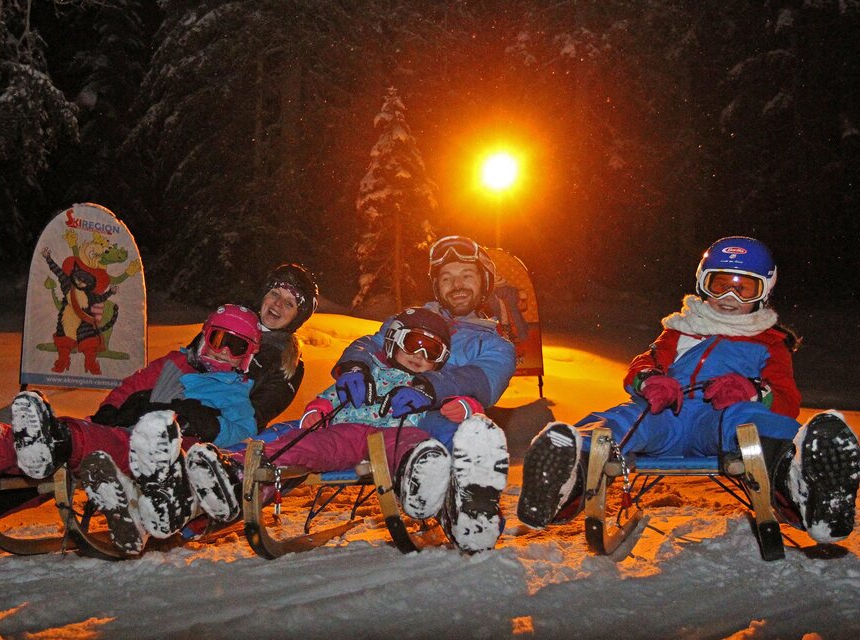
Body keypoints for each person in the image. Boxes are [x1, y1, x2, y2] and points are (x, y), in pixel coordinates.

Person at [0, 264, 320, 552]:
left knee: (68, 444)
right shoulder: (199, 348)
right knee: (51, 448)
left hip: (189, 441)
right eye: (275, 292)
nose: (278, 304)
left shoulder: (282, 363)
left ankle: (128, 495)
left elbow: (250, 419)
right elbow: (146, 379)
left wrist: (201, 419)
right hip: (143, 423)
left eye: (290, 301)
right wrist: (118, 408)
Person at [516, 236, 860, 545]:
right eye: (720, 284)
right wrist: (652, 381)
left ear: (764, 292)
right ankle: (568, 471)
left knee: (749, 420)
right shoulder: (679, 330)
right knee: (630, 415)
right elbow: (641, 366)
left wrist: (752, 391)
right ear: (702, 284)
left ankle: (801, 487)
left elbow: (787, 400)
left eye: (743, 289)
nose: (728, 297)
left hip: (719, 423)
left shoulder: (770, 344)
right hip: (667, 416)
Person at [183, 306, 507, 552]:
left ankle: (424, 483)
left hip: (398, 434)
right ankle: (234, 474)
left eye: (432, 351)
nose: (421, 356)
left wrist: (465, 406)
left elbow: (463, 400)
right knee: (304, 444)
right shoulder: (368, 371)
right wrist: (316, 412)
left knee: (417, 446)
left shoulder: (428, 386)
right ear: (394, 339)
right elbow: (331, 396)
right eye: (416, 343)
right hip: (349, 430)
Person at [325, 235, 517, 550]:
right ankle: (238, 472)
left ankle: (470, 509)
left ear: (484, 283)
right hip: (379, 410)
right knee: (311, 423)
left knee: (454, 432)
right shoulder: (409, 321)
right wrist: (355, 366)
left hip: (434, 417)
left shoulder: (495, 344)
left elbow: (482, 380)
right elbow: (371, 344)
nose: (456, 284)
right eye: (447, 278)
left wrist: (430, 387)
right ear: (436, 286)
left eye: (466, 275)